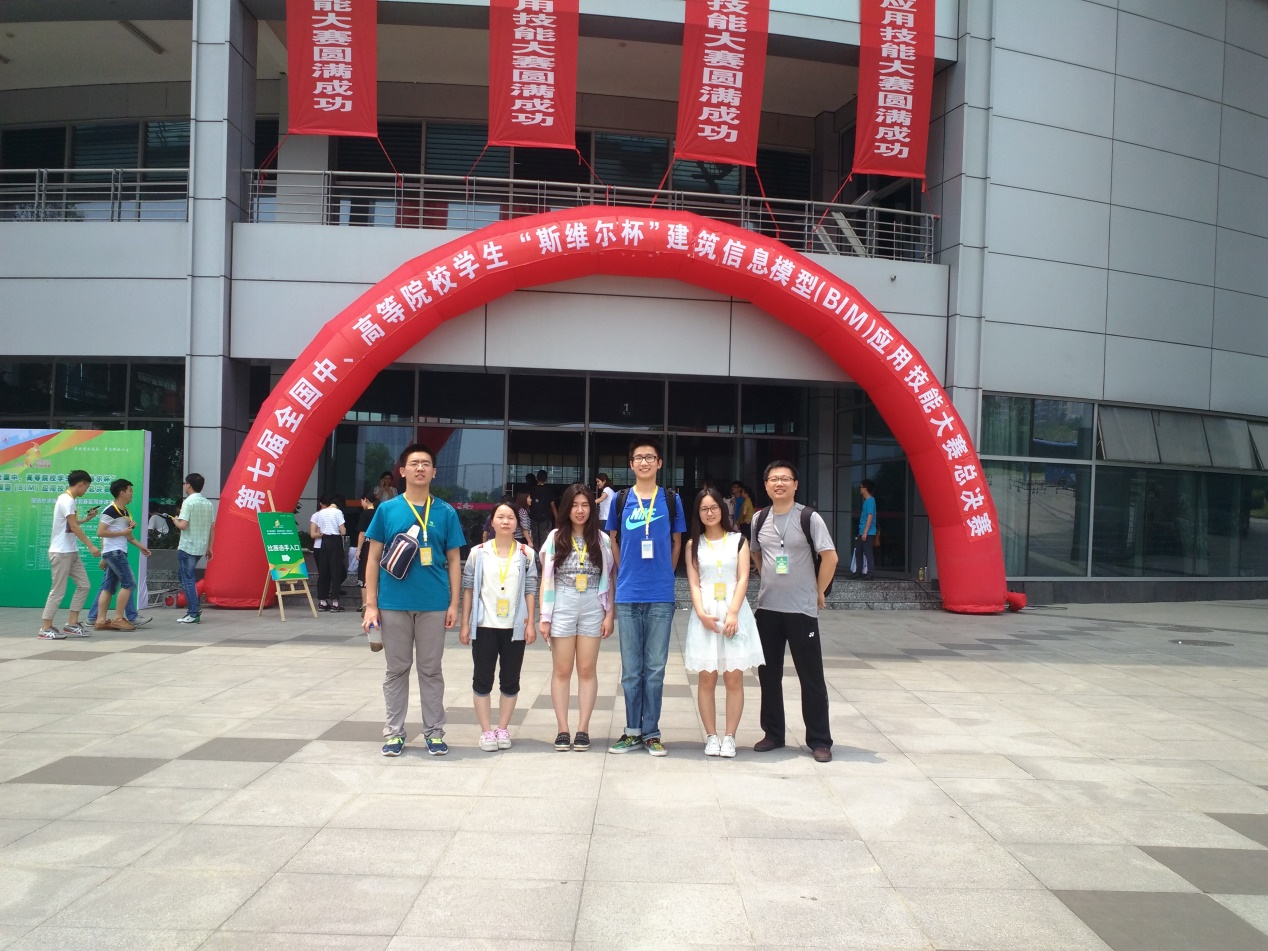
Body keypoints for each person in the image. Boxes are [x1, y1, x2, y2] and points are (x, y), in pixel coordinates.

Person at [362, 444, 465, 757]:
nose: (420, 468)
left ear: (434, 472)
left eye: (426, 464)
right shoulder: (387, 510)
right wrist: (371, 604)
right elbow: (372, 558)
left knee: (431, 670)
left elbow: (454, 559)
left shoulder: (446, 512)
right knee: (396, 670)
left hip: (434, 604)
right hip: (393, 604)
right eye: (414, 463)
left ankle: (434, 732)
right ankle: (394, 733)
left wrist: (454, 604)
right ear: (402, 471)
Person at [749, 461, 838, 763]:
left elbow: (830, 557)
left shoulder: (808, 517)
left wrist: (818, 592)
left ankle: (819, 740)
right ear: (766, 485)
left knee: (811, 677)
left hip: (801, 610)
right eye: (773, 479)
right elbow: (757, 554)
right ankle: (773, 733)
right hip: (767, 609)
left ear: (795, 484)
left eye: (785, 478)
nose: (779, 483)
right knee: (768, 676)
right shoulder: (759, 518)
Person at [605, 437, 686, 756]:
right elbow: (613, 539)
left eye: (650, 457)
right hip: (628, 594)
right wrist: (624, 569)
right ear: (631, 464)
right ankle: (632, 731)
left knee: (654, 669)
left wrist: (667, 572)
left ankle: (651, 732)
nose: (644, 462)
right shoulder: (620, 500)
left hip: (660, 595)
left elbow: (677, 541)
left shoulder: (671, 499)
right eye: (639, 458)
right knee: (630, 670)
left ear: (659, 463)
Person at [684, 487, 764, 758]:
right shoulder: (693, 545)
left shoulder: (738, 541)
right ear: (698, 513)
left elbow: (743, 578)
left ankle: (729, 736)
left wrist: (733, 613)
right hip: (706, 614)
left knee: (733, 678)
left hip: (733, 613)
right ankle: (711, 735)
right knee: (706, 678)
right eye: (704, 509)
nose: (709, 513)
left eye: (714, 507)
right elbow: (694, 584)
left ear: (722, 509)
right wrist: (701, 613)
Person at [539, 483, 615, 752]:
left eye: (584, 505)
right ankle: (563, 729)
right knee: (562, 670)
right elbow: (546, 579)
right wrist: (544, 616)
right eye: (574, 505)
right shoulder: (555, 537)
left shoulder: (602, 539)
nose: (580, 510)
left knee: (586, 669)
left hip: (593, 602)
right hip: (563, 601)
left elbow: (610, 578)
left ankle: (583, 729)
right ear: (566, 509)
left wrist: (609, 614)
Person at [460, 500, 539, 752]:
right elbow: (468, 588)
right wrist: (465, 624)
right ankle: (486, 731)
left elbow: (530, 589)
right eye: (500, 517)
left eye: (511, 517)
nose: (506, 521)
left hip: (515, 627)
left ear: (517, 523)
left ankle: (502, 728)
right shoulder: (478, 552)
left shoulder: (526, 554)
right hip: (484, 625)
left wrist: (531, 622)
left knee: (510, 679)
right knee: (482, 679)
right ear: (492, 522)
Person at [38, 470, 101, 639]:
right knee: (58, 591)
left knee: (84, 585)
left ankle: (72, 624)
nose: (86, 490)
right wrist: (91, 546)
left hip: (71, 552)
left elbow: (69, 524)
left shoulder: (69, 500)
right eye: (86, 487)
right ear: (81, 484)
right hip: (61, 552)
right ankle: (45, 628)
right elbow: (73, 526)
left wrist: (86, 519)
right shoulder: (66, 500)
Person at [91, 479, 151, 632]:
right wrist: (123, 532)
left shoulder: (124, 512)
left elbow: (128, 536)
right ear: (122, 493)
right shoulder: (110, 510)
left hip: (117, 551)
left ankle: (100, 621)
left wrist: (141, 547)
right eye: (130, 490)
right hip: (114, 552)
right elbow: (100, 532)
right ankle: (118, 618)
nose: (132, 494)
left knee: (109, 587)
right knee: (129, 583)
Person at [172, 473, 215, 624]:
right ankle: (194, 607)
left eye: (185, 483)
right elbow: (212, 527)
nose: (184, 485)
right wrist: (210, 547)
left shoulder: (188, 502)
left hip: (187, 546)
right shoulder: (208, 504)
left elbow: (183, 525)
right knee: (184, 576)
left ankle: (193, 612)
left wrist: (175, 520)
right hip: (200, 547)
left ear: (189, 485)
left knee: (187, 579)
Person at [310, 494, 348, 611]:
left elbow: (319, 529)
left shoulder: (321, 513)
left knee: (324, 572)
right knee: (336, 571)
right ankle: (335, 603)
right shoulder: (338, 512)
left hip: (324, 541)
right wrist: (343, 530)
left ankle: (322, 601)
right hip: (335, 541)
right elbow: (342, 531)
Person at [852, 479, 878, 579]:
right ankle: (858, 572)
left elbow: (870, 516)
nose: (860, 489)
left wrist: (865, 532)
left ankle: (870, 574)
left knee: (868, 552)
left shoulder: (870, 501)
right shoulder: (867, 501)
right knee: (858, 551)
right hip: (862, 531)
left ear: (865, 489)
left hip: (868, 532)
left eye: (861, 487)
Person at [529, 469, 556, 550]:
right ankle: (544, 555)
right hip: (545, 518)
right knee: (545, 539)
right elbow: (553, 506)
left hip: (534, 518)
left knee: (535, 538)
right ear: (546, 479)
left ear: (536, 478)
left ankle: (535, 554)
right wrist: (557, 518)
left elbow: (529, 503)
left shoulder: (532, 489)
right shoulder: (549, 490)